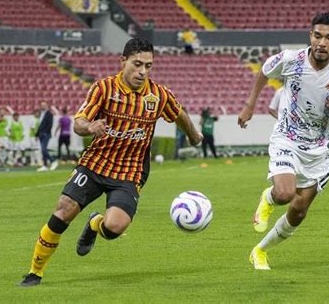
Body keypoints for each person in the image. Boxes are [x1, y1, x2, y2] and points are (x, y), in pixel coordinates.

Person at [19, 38, 203, 287]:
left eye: (148, 66)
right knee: (64, 208)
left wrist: (194, 135)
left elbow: (179, 114)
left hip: (130, 171)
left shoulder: (158, 95)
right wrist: (90, 126)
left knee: (115, 227)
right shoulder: (103, 89)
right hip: (95, 163)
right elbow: (79, 122)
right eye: (137, 64)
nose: (143, 72)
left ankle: (95, 223)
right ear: (123, 61)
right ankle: (34, 272)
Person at [238, 12, 329, 270]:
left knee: (299, 210)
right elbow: (264, 71)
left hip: (319, 149)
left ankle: (260, 251)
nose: (322, 42)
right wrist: (250, 105)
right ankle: (269, 198)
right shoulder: (291, 60)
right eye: (317, 36)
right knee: (284, 193)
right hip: (287, 138)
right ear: (310, 36)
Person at [36, 101, 58, 172]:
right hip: (41, 134)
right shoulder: (40, 114)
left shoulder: (49, 114)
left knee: (43, 149)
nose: (43, 106)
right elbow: (40, 126)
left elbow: (50, 124)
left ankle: (53, 161)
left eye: (44, 105)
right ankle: (45, 165)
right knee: (42, 150)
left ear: (47, 106)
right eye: (42, 105)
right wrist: (37, 135)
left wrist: (45, 132)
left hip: (46, 134)